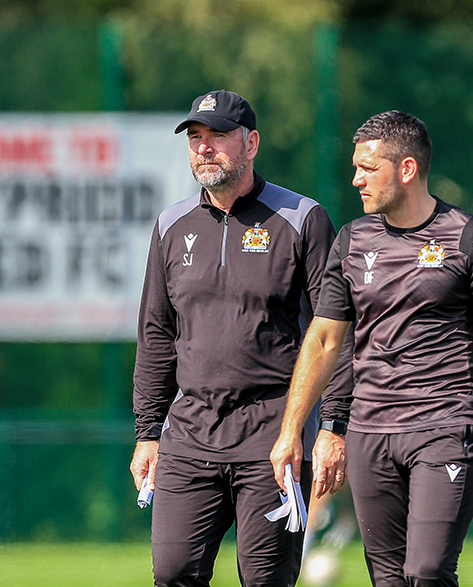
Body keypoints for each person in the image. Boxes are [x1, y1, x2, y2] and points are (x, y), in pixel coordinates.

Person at [270, 110, 473, 587]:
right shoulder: (352, 241)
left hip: (447, 425)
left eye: (367, 168)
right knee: (388, 578)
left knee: (427, 570)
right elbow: (323, 339)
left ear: (406, 169)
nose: (355, 179)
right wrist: (293, 430)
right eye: (354, 167)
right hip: (370, 431)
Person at [129, 89, 352, 587]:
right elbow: (156, 335)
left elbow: (335, 334)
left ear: (251, 144)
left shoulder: (302, 219)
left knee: (265, 579)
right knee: (172, 573)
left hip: (275, 434)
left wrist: (333, 427)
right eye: (195, 138)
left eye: (218, 137)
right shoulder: (170, 226)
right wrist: (147, 434)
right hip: (189, 432)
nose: (204, 148)